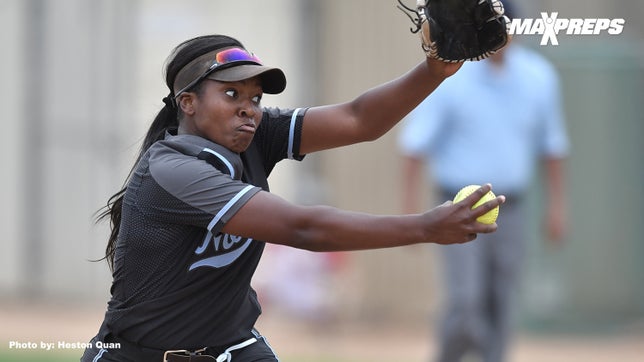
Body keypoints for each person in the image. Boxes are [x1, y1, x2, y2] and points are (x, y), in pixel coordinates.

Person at [81, 33, 505, 362]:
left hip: (231, 346)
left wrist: (434, 69)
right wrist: (424, 226)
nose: (249, 108)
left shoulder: (253, 136)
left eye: (255, 98)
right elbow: (303, 227)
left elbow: (359, 120)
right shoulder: (173, 170)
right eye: (231, 94)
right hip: (139, 353)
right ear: (187, 102)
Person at [398, 4, 569, 362]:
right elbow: (415, 146)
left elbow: (551, 147)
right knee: (466, 301)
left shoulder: (539, 76)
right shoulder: (454, 75)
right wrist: (410, 209)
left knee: (502, 301)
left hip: (512, 207)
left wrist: (556, 207)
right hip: (458, 205)